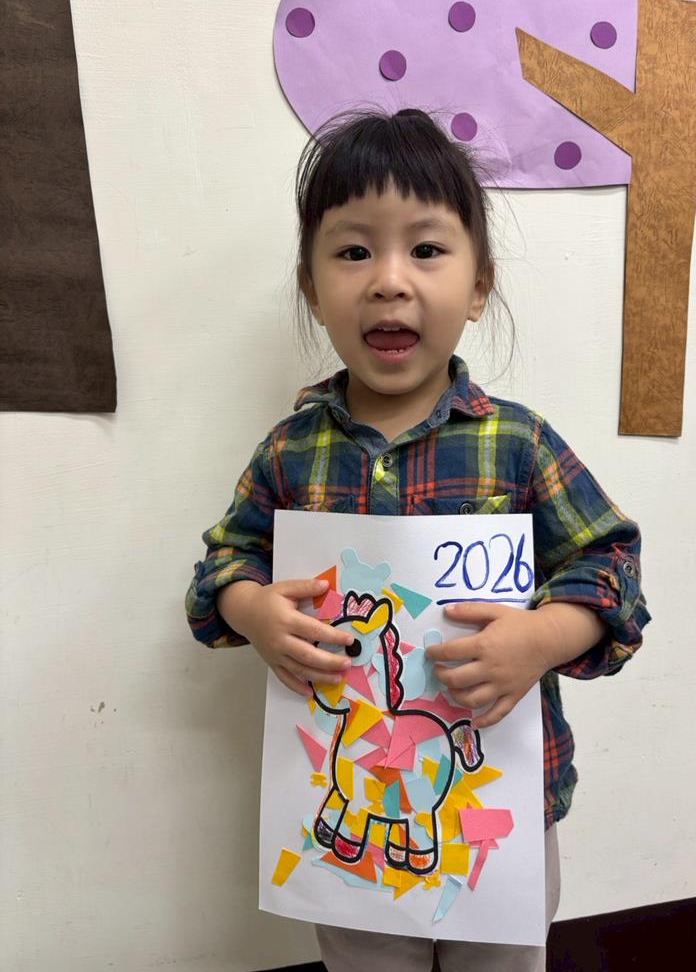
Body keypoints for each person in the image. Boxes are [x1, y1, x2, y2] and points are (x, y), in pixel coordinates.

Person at [185, 108, 650, 972]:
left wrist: (543, 636)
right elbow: (223, 562)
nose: (389, 281)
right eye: (353, 251)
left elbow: (610, 565)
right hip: (342, 801)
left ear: (477, 287)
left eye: (426, 249)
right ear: (310, 286)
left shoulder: (517, 443)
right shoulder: (290, 452)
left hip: (494, 808)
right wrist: (250, 609)